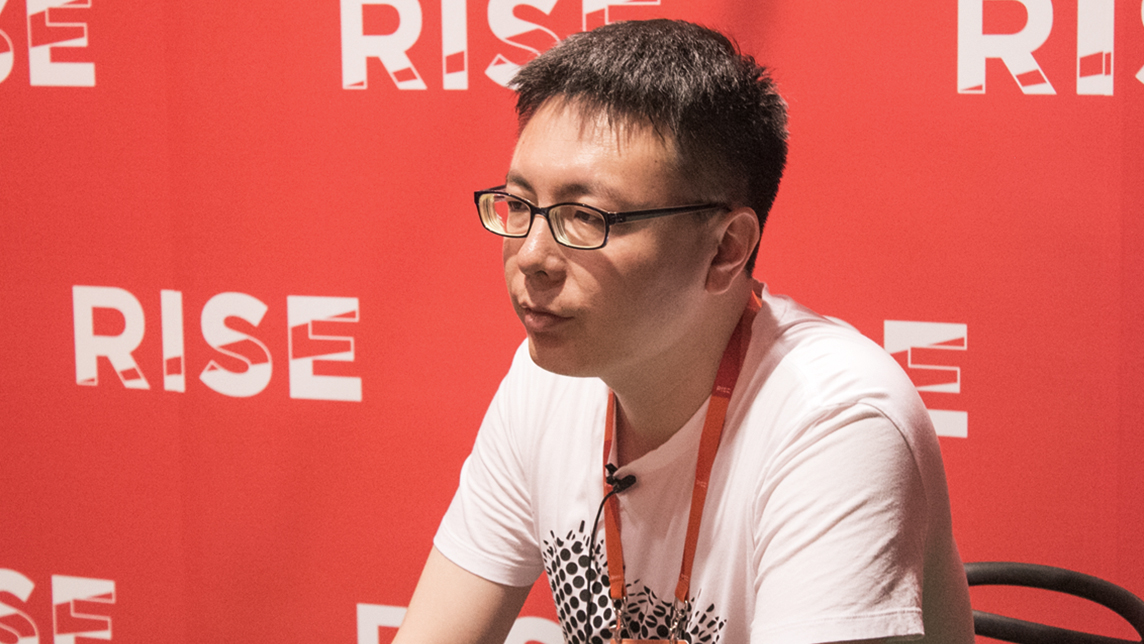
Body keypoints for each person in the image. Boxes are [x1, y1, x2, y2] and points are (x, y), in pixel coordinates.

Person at [394, 18, 974, 644]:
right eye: (520, 205)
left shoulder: (837, 422)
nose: (532, 256)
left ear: (726, 249)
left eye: (585, 216)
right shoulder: (546, 383)